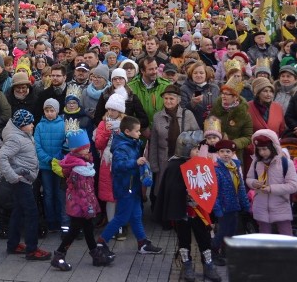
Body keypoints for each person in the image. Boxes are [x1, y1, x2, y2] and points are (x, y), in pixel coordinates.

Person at [153, 130, 220, 282]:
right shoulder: (174, 166)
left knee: (204, 238)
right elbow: (171, 190)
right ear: (185, 149)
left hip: (198, 211)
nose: (198, 151)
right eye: (195, 149)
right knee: (183, 239)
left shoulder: (199, 164)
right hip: (182, 211)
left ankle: (208, 264)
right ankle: (187, 264)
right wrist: (184, 192)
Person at [97, 115, 163, 255]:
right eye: (137, 131)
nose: (140, 133)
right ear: (127, 132)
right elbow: (118, 166)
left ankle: (142, 243)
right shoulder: (122, 147)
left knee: (136, 215)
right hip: (125, 188)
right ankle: (101, 243)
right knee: (121, 217)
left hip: (132, 186)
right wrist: (136, 162)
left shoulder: (131, 143)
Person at [51, 126, 113, 271]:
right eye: (85, 148)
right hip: (80, 205)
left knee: (88, 228)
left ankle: (95, 254)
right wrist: (89, 208)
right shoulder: (79, 169)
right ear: (77, 150)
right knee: (74, 230)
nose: (88, 150)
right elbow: (82, 192)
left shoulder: (83, 164)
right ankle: (59, 255)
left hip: (81, 204)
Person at [0, 109, 51, 260]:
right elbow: (0, 158)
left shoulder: (23, 134)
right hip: (21, 181)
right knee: (31, 213)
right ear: (21, 126)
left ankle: (13, 244)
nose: (33, 125)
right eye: (29, 123)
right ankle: (32, 249)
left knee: (18, 211)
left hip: (25, 179)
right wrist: (13, 176)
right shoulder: (16, 139)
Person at [246, 129, 297, 236]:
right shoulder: (256, 162)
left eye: (265, 149)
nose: (262, 152)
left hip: (281, 205)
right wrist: (254, 183)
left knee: (286, 236)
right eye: (259, 150)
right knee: (265, 237)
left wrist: (271, 189)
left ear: (273, 147)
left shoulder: (286, 163)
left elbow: (293, 185)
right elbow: (249, 178)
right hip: (261, 206)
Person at [211, 139, 250, 267]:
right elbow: (214, 191)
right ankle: (214, 253)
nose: (225, 154)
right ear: (217, 153)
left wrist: (245, 203)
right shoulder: (216, 169)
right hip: (223, 206)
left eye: (228, 151)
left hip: (234, 205)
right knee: (222, 231)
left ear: (233, 153)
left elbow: (241, 187)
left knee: (231, 230)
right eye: (222, 151)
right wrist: (217, 208)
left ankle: (225, 252)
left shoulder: (235, 167)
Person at [34, 98, 66, 233]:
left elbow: (65, 142)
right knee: (47, 193)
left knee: (59, 193)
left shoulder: (63, 124)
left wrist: (57, 158)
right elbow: (37, 145)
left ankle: (61, 219)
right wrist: (47, 159)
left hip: (59, 165)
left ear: (57, 111)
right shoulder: (40, 126)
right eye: (46, 111)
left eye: (52, 110)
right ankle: (50, 220)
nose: (49, 113)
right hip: (46, 166)